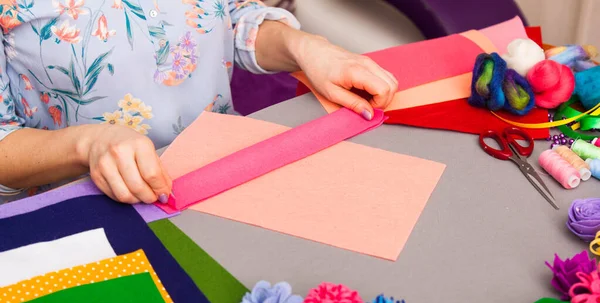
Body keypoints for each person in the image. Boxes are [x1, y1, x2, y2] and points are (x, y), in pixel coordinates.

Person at [0, 0, 397, 205]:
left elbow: (227, 19)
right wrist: (88, 145)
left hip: (226, 171)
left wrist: (304, 46)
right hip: (95, 205)